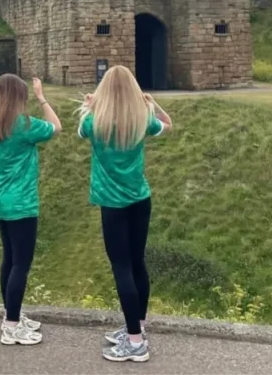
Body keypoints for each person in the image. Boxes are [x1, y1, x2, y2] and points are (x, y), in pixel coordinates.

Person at [78, 65, 173, 363]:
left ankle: (135, 344)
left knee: (122, 268)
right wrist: (150, 103)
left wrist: (90, 104)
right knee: (137, 264)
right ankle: (138, 328)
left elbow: (81, 127)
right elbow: (167, 124)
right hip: (140, 200)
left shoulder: (95, 123)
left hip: (113, 206)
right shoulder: (142, 119)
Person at [0, 74, 62, 346]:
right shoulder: (23, 125)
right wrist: (42, 97)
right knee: (20, 265)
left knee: (10, 259)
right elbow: (56, 127)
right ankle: (12, 326)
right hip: (22, 203)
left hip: (0, 198)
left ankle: (9, 314)